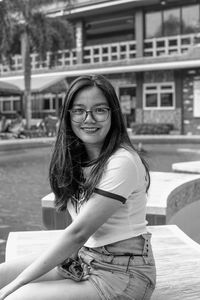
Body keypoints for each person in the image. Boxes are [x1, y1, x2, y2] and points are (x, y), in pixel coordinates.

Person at [0, 74, 156, 300]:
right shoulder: (75, 160)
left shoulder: (122, 161)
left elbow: (78, 233)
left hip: (124, 275)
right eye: (79, 110)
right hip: (84, 260)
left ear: (113, 114)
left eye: (100, 110)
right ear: (68, 115)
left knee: (16, 297)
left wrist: (15, 285)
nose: (89, 118)